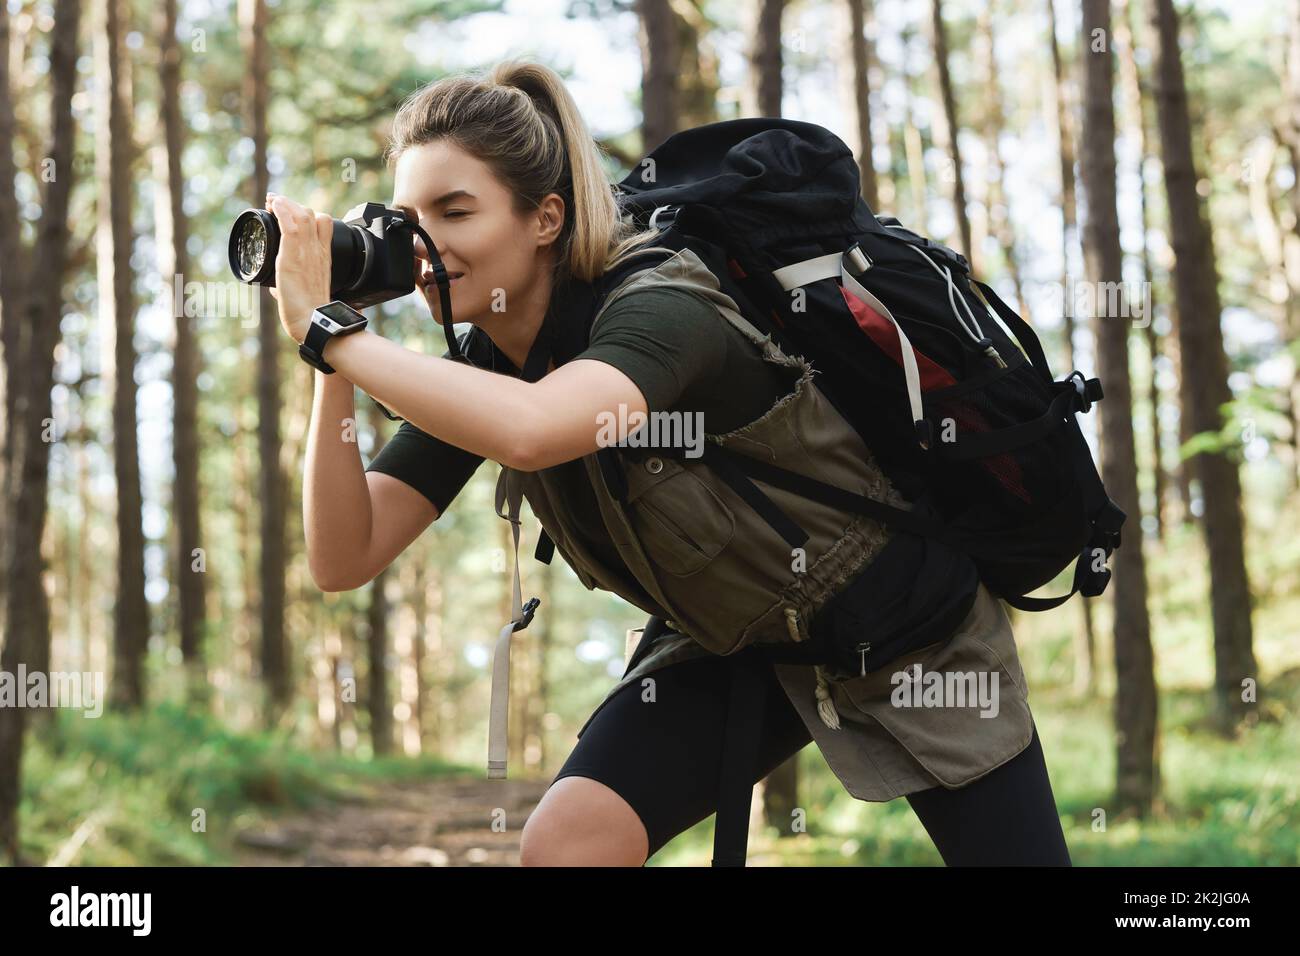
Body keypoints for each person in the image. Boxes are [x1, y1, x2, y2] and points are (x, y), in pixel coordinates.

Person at [267, 57, 1072, 867]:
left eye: (456, 212)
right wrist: (329, 353)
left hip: (898, 619)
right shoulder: (483, 370)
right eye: (408, 219)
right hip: (730, 633)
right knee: (569, 846)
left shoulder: (663, 308)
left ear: (545, 219)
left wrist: (334, 334)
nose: (422, 246)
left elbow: (536, 430)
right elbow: (346, 555)